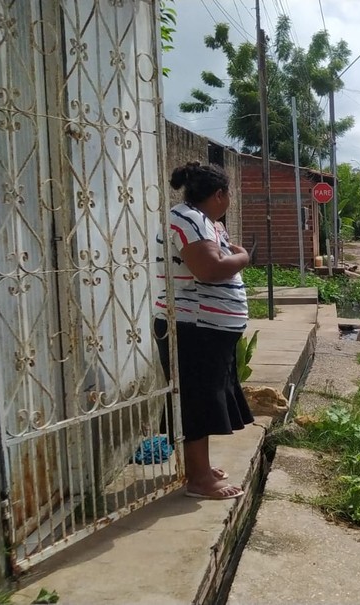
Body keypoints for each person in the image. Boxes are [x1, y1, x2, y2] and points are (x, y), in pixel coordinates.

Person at [154, 161, 253, 500]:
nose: (230, 203)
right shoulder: (187, 218)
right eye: (229, 195)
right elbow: (210, 269)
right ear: (219, 194)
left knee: (205, 397)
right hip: (192, 324)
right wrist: (243, 257)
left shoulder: (206, 222)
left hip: (208, 327)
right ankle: (198, 479)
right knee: (197, 399)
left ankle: (199, 468)